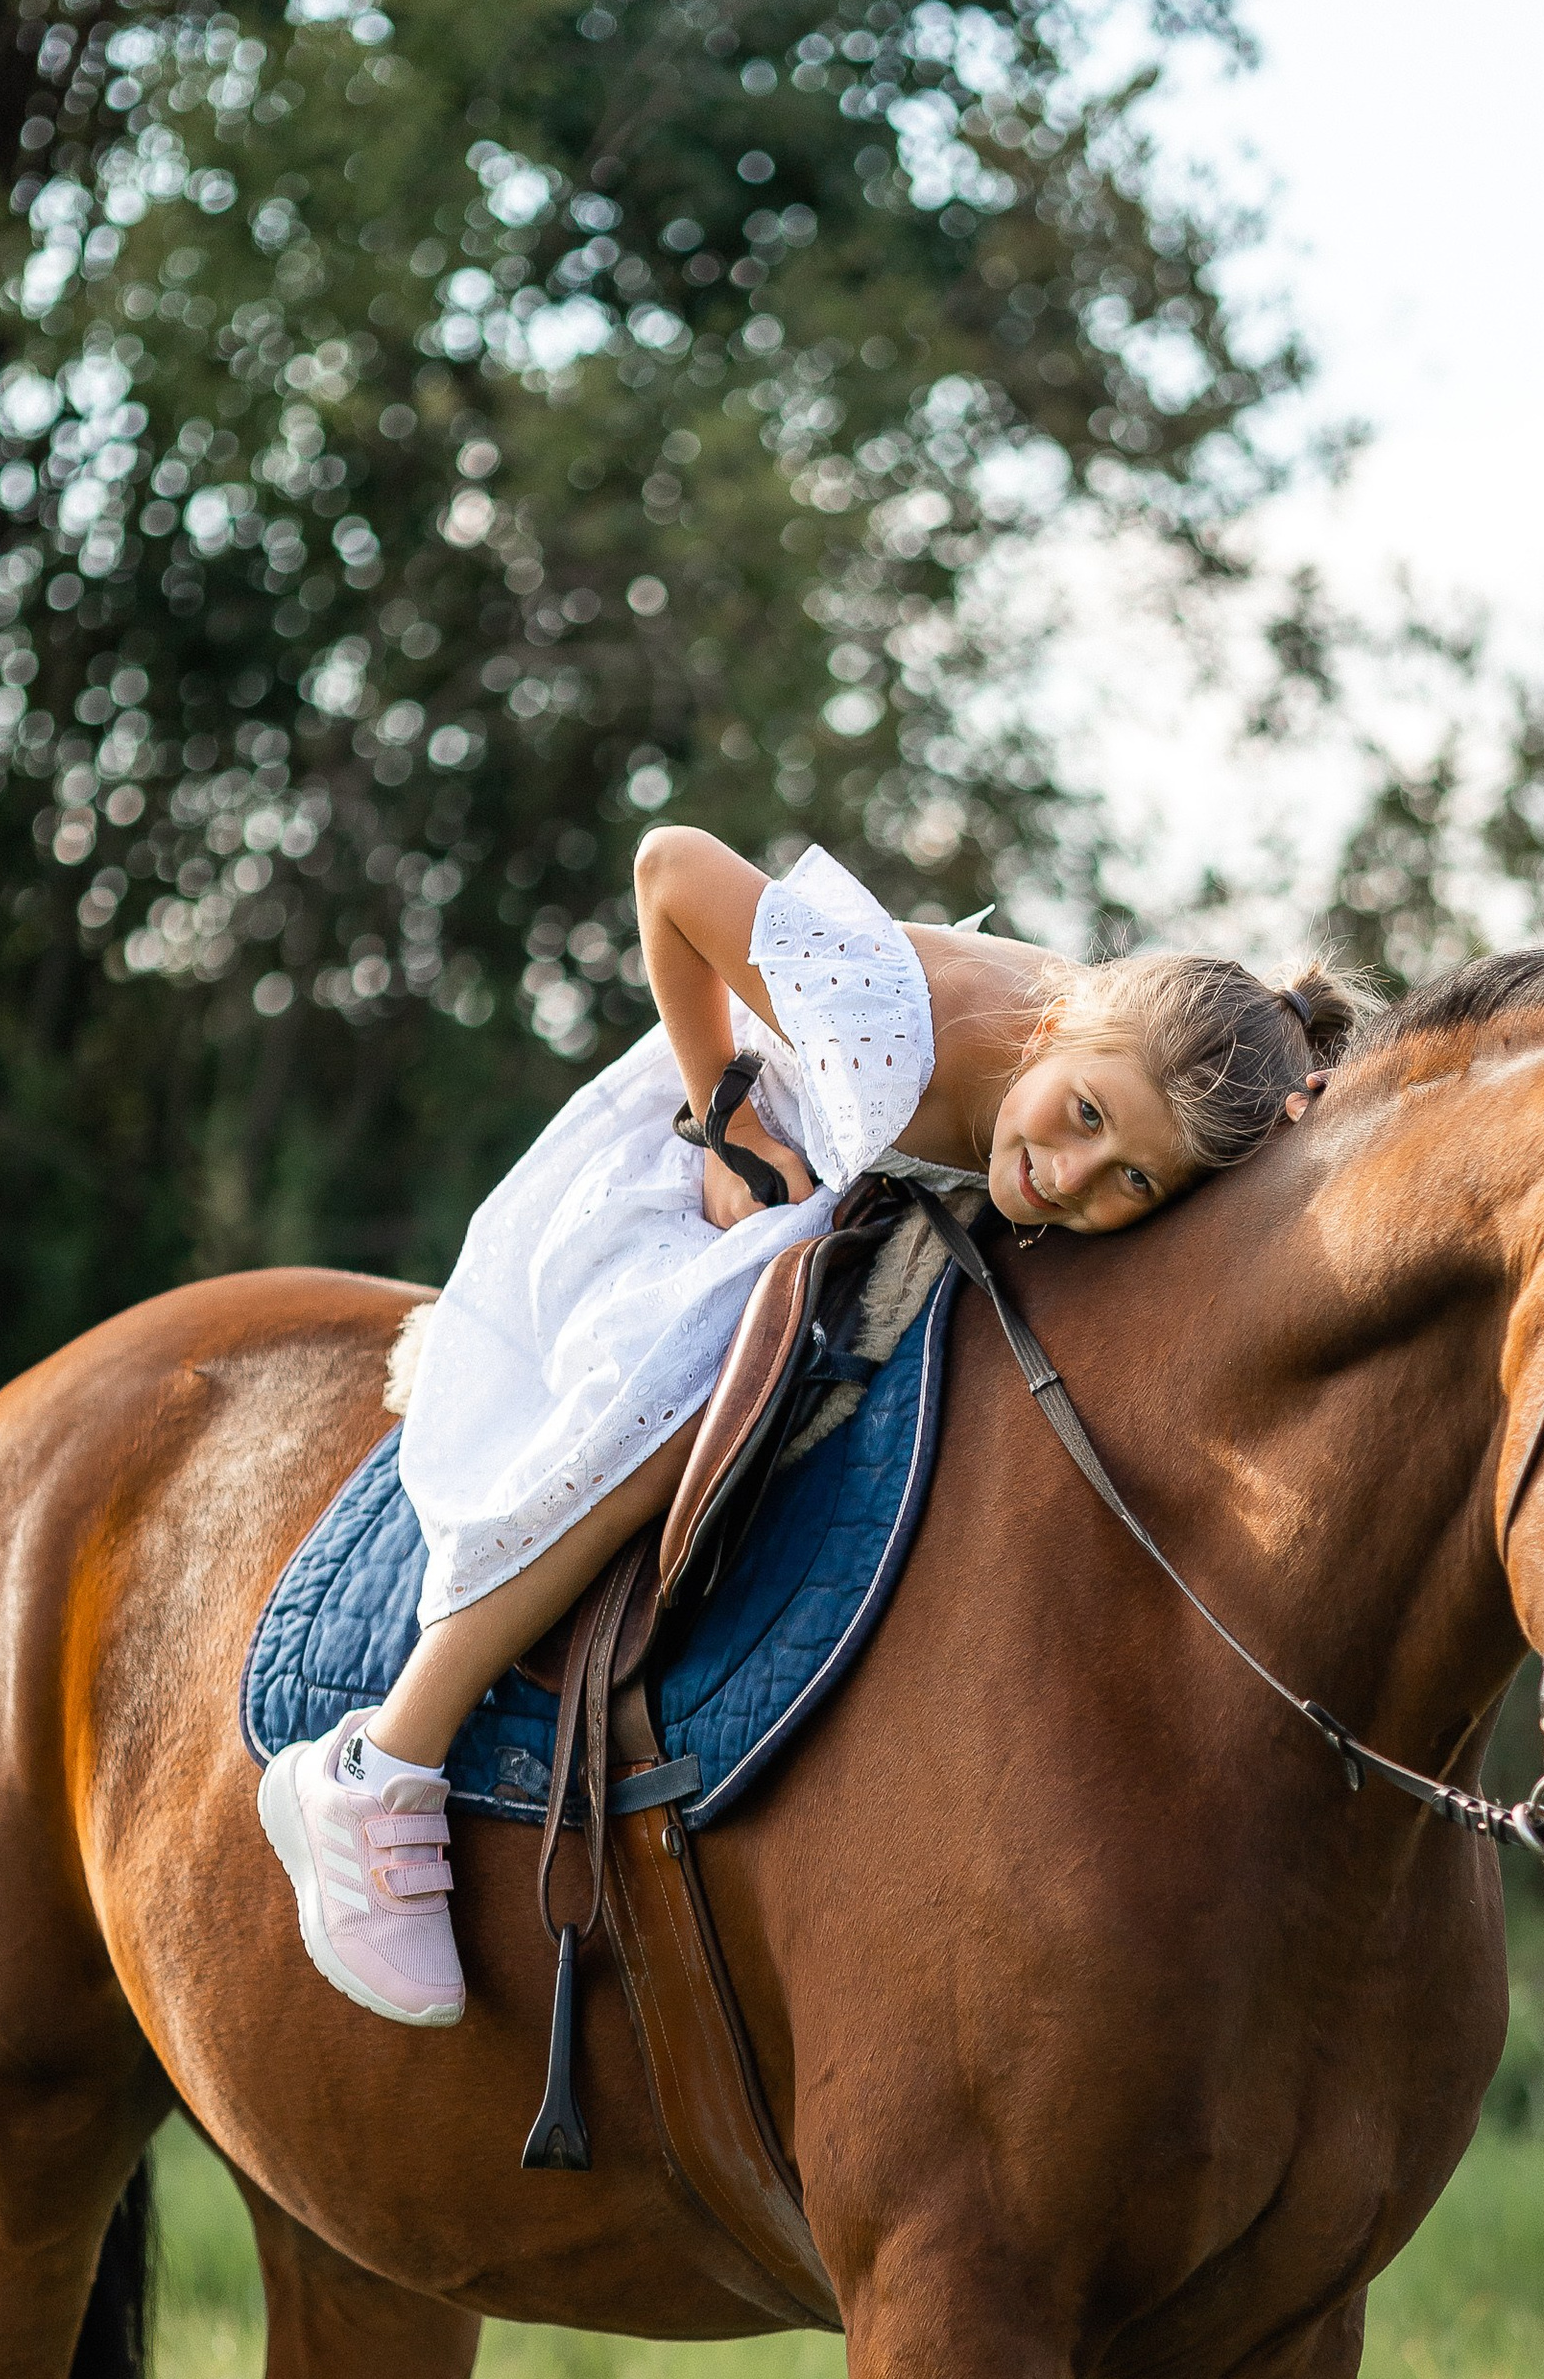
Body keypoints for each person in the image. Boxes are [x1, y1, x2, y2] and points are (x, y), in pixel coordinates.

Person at [258, 827, 1350, 2023]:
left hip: (847, 1201)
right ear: (1062, 1032)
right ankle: (379, 1763)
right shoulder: (891, 1019)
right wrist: (722, 1109)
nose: (1070, 1176)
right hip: (713, 1179)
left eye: (1131, 1180)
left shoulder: (1131, 1060)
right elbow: (670, 870)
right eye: (1083, 1114)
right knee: (675, 1397)